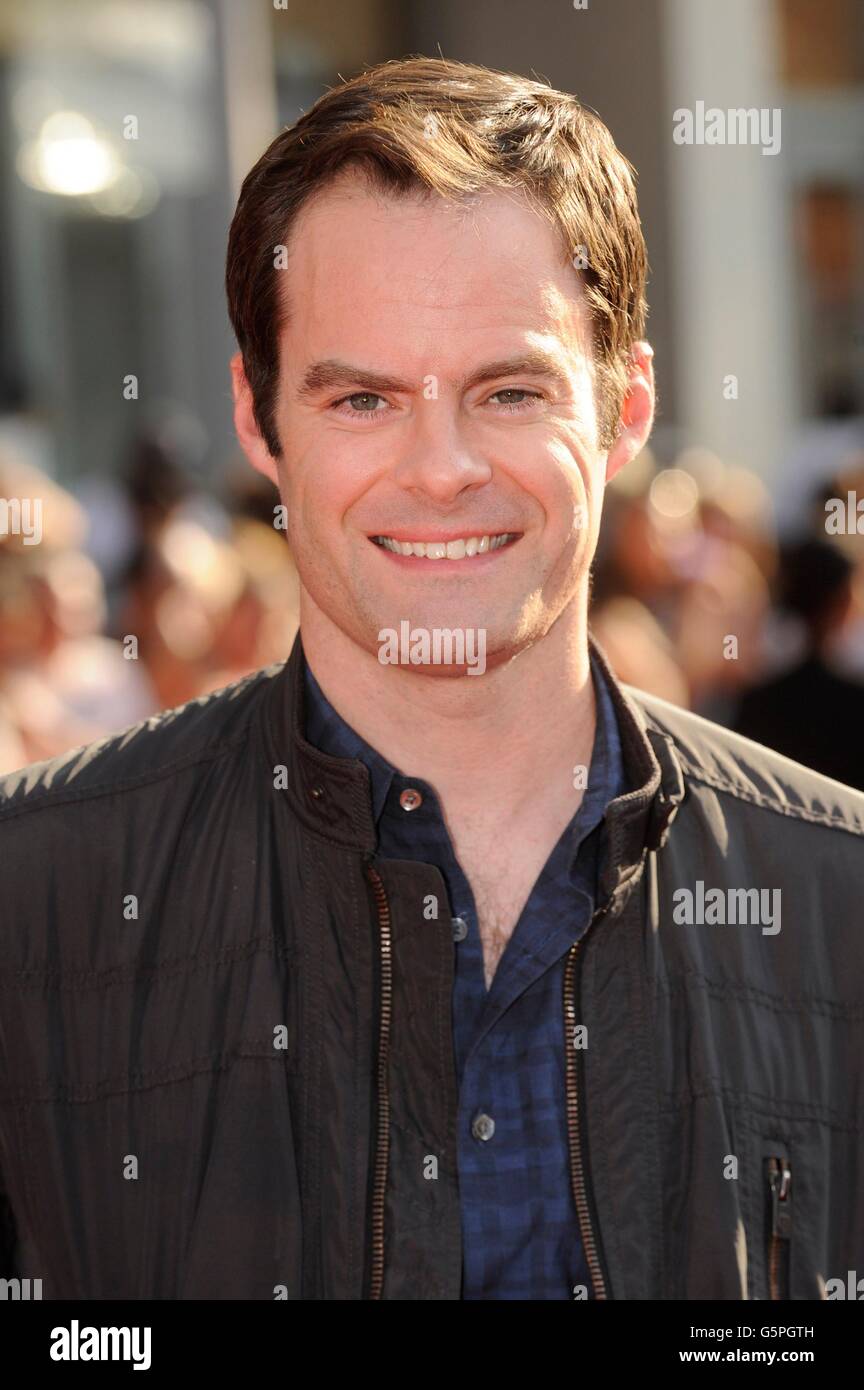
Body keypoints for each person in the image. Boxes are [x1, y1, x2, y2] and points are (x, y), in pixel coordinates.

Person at [1, 57, 863, 1302]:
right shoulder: (36, 909)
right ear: (260, 421)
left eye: (508, 390)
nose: (441, 466)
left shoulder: (837, 903)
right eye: (362, 397)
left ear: (626, 409)